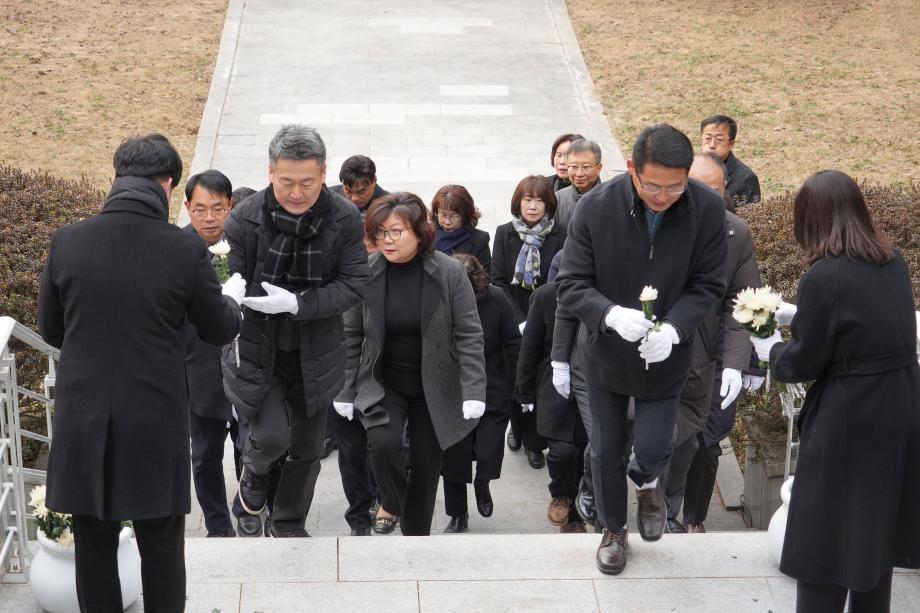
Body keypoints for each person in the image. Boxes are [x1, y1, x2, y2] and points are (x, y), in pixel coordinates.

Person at [38, 134, 243, 612]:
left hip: (84, 413)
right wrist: (231, 300)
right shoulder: (183, 250)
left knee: (93, 539)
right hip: (154, 415)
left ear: (114, 178)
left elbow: (52, 328)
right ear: (169, 185)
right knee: (162, 541)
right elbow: (218, 329)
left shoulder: (68, 241)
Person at [556, 123, 726, 575]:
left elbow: (709, 284)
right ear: (632, 168)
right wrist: (610, 314)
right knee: (605, 450)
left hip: (665, 354)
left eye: (674, 187)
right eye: (652, 185)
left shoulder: (707, 209)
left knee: (652, 446)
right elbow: (571, 283)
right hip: (607, 354)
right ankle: (613, 531)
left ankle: (647, 482)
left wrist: (674, 328)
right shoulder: (596, 207)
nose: (662, 196)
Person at [750, 170, 920, 613]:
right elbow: (868, 329)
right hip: (899, 408)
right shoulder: (892, 260)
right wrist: (802, 316)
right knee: (874, 539)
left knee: (826, 543)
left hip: (850, 419)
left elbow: (804, 363)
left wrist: (771, 348)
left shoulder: (825, 275)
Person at [221, 124, 369, 538]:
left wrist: (299, 304)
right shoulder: (246, 218)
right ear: (270, 172)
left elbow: (354, 283)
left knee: (307, 449)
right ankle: (254, 473)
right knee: (271, 437)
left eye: (308, 182)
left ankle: (288, 523)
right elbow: (230, 274)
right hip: (258, 348)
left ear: (324, 173)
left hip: (317, 350)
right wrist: (234, 294)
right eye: (287, 182)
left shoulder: (344, 218)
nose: (298, 193)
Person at [333, 193, 487, 536]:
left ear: (419, 232)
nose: (386, 240)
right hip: (384, 382)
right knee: (383, 445)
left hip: (436, 387)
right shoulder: (366, 273)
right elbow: (351, 335)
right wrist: (345, 389)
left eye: (396, 231)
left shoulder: (449, 272)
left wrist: (474, 389)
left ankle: (416, 538)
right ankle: (392, 502)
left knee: (426, 464)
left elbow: (469, 334)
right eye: (379, 232)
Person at [660, 153, 761, 534]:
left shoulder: (736, 233)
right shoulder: (660, 225)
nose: (705, 197)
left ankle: (692, 517)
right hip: (661, 354)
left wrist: (739, 363)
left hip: (713, 359)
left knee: (706, 442)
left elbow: (744, 302)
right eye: (696, 188)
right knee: (664, 438)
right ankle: (661, 508)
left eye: (714, 190)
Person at [440, 254, 521, 533]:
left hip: (491, 384)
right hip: (451, 389)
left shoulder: (496, 299)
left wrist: (520, 385)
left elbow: (513, 342)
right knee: (454, 456)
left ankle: (482, 482)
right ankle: (457, 513)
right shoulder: (438, 299)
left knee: (488, 450)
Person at [491, 175, 566, 468]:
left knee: (537, 378)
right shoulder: (504, 233)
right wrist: (519, 320)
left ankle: (535, 443)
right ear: (518, 202)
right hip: (513, 320)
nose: (533, 206)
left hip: (546, 320)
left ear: (548, 204)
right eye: (527, 200)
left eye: (539, 200)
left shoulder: (561, 234)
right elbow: (498, 281)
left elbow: (561, 281)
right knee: (513, 377)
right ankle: (517, 428)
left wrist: (536, 321)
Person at [182, 169, 239, 538]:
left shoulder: (246, 244)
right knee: (204, 456)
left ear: (230, 206)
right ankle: (218, 527)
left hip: (246, 368)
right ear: (187, 207)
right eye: (200, 209)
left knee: (253, 450)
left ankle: (249, 511)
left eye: (217, 208)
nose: (209, 218)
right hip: (198, 371)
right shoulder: (175, 249)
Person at [517, 264, 588, 534]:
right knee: (562, 452)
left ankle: (579, 511)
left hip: (593, 386)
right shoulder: (545, 296)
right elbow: (530, 347)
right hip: (554, 388)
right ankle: (561, 495)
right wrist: (524, 390)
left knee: (587, 452)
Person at [700, 115, 760, 206]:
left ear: (731, 144)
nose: (712, 145)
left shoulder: (746, 178)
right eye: (707, 138)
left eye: (719, 140)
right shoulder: (690, 168)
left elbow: (750, 213)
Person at [431, 184, 492, 273]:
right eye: (443, 215)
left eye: (453, 216)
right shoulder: (427, 236)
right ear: (436, 213)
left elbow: (484, 276)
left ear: (465, 215)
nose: (447, 222)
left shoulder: (480, 239)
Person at [554, 138, 603, 227]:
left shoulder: (612, 198)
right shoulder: (558, 199)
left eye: (586, 167)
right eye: (574, 167)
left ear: (599, 168)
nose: (579, 174)